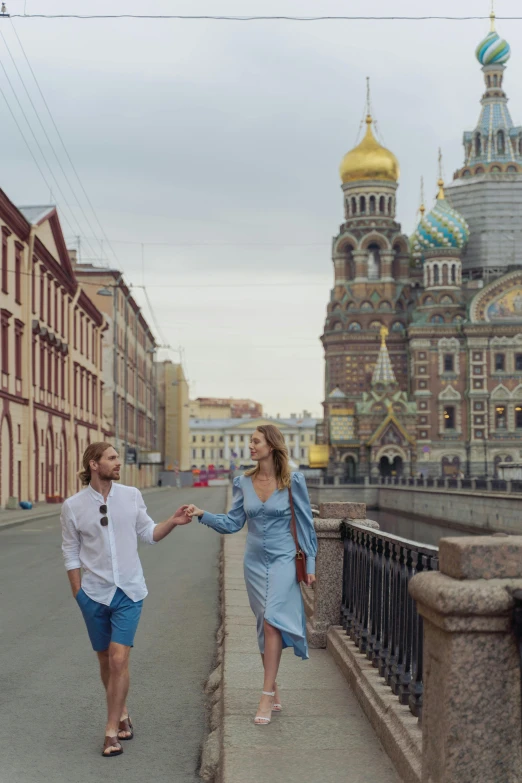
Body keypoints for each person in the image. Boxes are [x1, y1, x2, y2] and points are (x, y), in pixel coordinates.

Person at [60, 442, 192, 758]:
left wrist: (172, 522)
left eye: (118, 457)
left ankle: (109, 732)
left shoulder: (131, 496)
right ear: (94, 464)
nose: (119, 463)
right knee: (106, 660)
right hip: (93, 594)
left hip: (129, 592)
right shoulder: (73, 506)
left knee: (119, 658)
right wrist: (78, 593)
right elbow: (69, 551)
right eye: (112, 458)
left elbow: (149, 533)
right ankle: (121, 712)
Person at [186, 424, 317, 726]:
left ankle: (265, 696)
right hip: (254, 563)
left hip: (284, 560)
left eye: (256, 441)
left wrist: (309, 567)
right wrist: (202, 514)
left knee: (272, 620)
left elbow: (307, 525)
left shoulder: (292, 481)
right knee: (264, 626)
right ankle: (273, 686)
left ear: (271, 445)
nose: (250, 446)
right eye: (250, 441)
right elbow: (233, 523)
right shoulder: (242, 482)